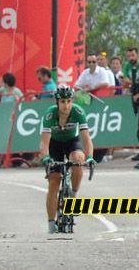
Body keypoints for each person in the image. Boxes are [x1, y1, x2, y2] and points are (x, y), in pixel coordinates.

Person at [38, 86, 94, 234]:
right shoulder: (50, 114)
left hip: (71, 142)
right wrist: (45, 157)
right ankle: (51, 224)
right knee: (54, 182)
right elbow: (44, 142)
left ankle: (73, 195)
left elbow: (86, 139)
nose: (66, 105)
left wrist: (90, 157)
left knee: (78, 159)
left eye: (69, 101)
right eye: (63, 101)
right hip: (54, 145)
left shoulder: (78, 112)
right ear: (57, 102)